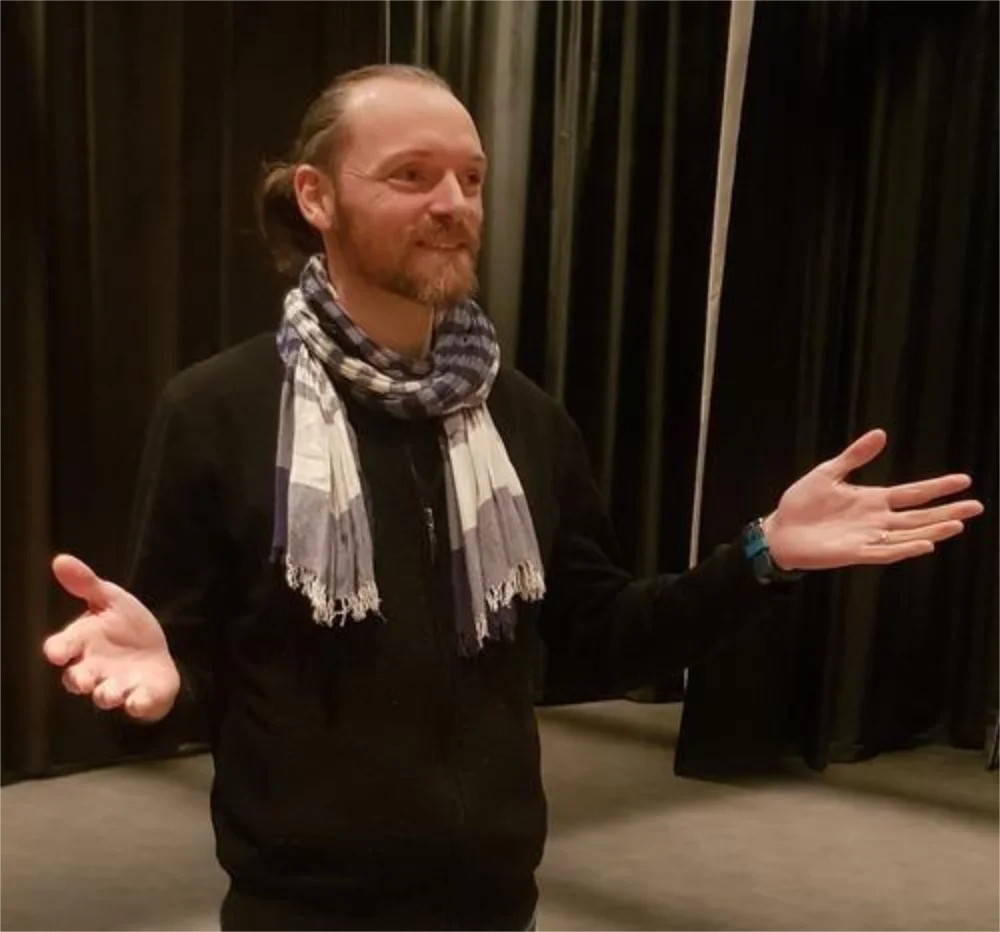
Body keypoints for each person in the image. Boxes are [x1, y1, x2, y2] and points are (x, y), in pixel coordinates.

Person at [42, 64, 983, 932]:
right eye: (412, 175)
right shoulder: (218, 411)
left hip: (495, 905)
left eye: (472, 178)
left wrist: (759, 556)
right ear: (316, 196)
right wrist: (158, 688)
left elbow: (595, 640)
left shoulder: (521, 417)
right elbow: (178, 671)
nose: (453, 203)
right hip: (301, 913)